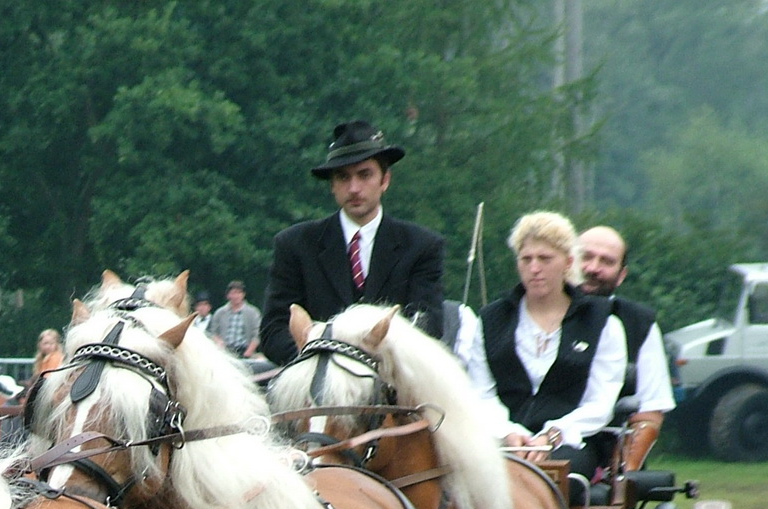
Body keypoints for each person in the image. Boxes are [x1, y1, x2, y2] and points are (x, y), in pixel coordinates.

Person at [260, 120, 446, 364]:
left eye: (364, 175)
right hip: (315, 388)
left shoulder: (422, 246)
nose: (354, 188)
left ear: (385, 180)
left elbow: (428, 327)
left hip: (393, 386)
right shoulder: (295, 245)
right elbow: (274, 330)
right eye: (343, 177)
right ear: (333, 186)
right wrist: (321, 364)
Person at [466, 211, 626, 482]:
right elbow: (481, 394)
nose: (534, 268)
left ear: (568, 262)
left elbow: (599, 404)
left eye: (544, 259)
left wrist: (553, 435)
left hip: (571, 444)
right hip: (501, 440)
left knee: (546, 477)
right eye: (526, 259)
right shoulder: (491, 320)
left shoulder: (602, 323)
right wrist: (508, 433)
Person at [576, 226, 676, 472]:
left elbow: (650, 411)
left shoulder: (640, 324)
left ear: (621, 275)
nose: (593, 268)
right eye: (585, 257)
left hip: (604, 457)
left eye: (606, 261)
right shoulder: (533, 316)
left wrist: (622, 475)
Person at [211, 281, 262, 358]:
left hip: (244, 351)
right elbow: (213, 333)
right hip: (225, 351)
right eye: (233, 293)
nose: (236, 296)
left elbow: (257, 335)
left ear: (243, 294)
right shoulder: (220, 313)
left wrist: (248, 352)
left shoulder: (253, 312)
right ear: (228, 295)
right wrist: (219, 344)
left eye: (239, 293)